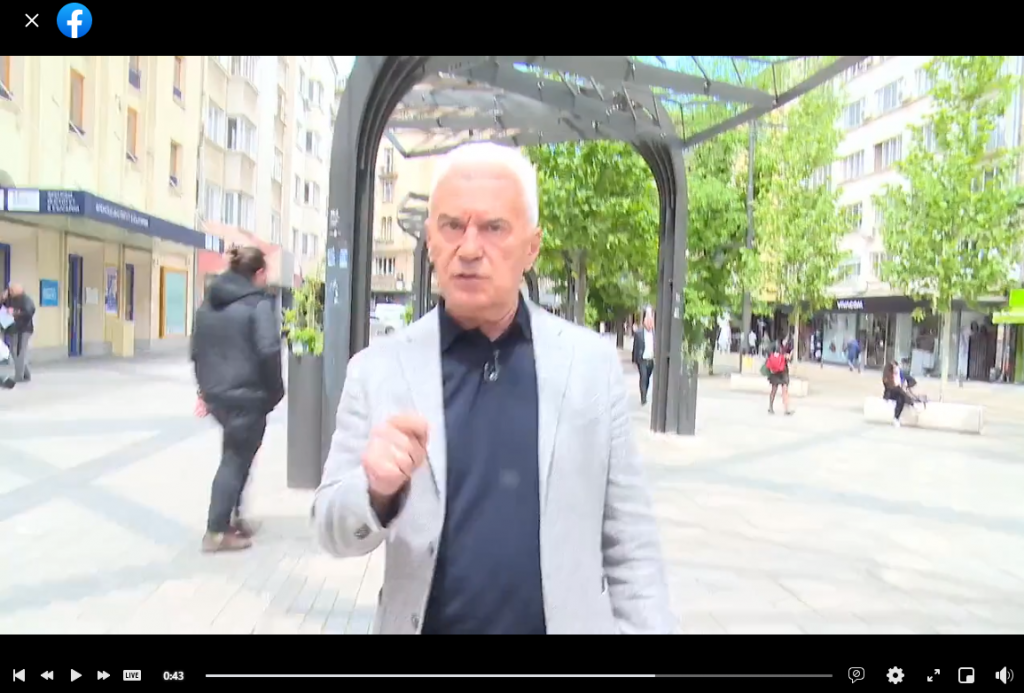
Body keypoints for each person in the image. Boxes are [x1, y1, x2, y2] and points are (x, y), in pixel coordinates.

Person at [313, 142, 673, 635]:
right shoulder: (378, 370)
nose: (469, 248)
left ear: (532, 247)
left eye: (493, 227)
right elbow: (330, 528)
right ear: (431, 241)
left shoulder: (589, 366)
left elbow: (631, 545)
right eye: (452, 226)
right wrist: (375, 491)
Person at [191, 246, 284, 553]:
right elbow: (269, 351)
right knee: (235, 459)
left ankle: (233, 519)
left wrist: (204, 391)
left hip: (218, 396)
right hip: (248, 396)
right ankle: (216, 531)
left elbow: (196, 352)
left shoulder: (208, 304)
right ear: (259, 273)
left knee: (236, 454)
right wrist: (275, 392)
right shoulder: (258, 305)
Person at [1, 284, 35, 385]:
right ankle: (26, 374)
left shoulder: (26, 299)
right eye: (9, 290)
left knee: (20, 352)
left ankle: (19, 376)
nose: (10, 291)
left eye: (12, 290)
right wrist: (2, 298)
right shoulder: (10, 300)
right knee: (13, 351)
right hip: (13, 329)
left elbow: (29, 312)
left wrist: (15, 312)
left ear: (19, 290)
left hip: (24, 329)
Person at [631, 314, 656, 405]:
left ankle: (645, 391)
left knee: (647, 379)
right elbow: (635, 347)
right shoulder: (639, 333)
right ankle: (643, 398)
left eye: (651, 323)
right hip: (642, 360)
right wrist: (634, 360)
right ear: (645, 323)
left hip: (651, 359)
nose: (650, 325)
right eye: (648, 323)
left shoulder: (655, 334)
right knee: (643, 377)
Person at [764, 339, 793, 416]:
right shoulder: (776, 343)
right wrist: (777, 356)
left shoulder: (789, 345)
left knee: (784, 390)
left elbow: (790, 359)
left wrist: (788, 357)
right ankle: (771, 407)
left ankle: (786, 409)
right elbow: (767, 350)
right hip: (776, 370)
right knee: (774, 390)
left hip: (783, 370)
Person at [882, 360, 914, 428]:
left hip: (899, 393)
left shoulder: (899, 374)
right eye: (893, 367)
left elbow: (911, 381)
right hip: (890, 393)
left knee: (901, 398)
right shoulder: (887, 376)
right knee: (899, 392)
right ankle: (911, 403)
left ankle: (896, 418)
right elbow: (890, 387)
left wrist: (905, 383)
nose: (895, 369)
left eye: (896, 367)